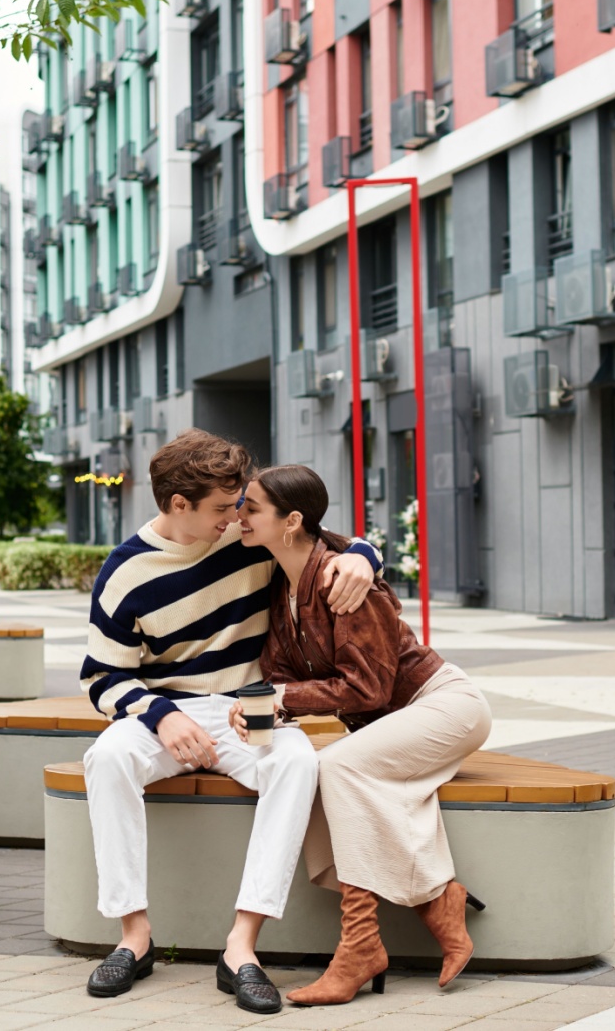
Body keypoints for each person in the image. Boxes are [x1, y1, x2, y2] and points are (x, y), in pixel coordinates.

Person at [80, 431, 383, 1014]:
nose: (236, 516)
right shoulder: (124, 572)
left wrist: (362, 559)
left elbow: (339, 545)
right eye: (223, 507)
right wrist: (162, 717)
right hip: (162, 714)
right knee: (108, 758)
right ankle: (133, 937)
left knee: (296, 762)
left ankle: (241, 946)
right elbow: (102, 677)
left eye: (240, 503)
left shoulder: (249, 539)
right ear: (179, 504)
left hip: (247, 708)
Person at [232, 464, 493, 1006]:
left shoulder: (343, 580)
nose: (240, 516)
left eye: (251, 508)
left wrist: (285, 697)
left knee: (338, 765)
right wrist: (260, 708)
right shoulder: (281, 587)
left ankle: (361, 947)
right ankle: (436, 903)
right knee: (317, 773)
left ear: (291, 521)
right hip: (389, 726)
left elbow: (368, 688)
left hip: (442, 704)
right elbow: (281, 677)